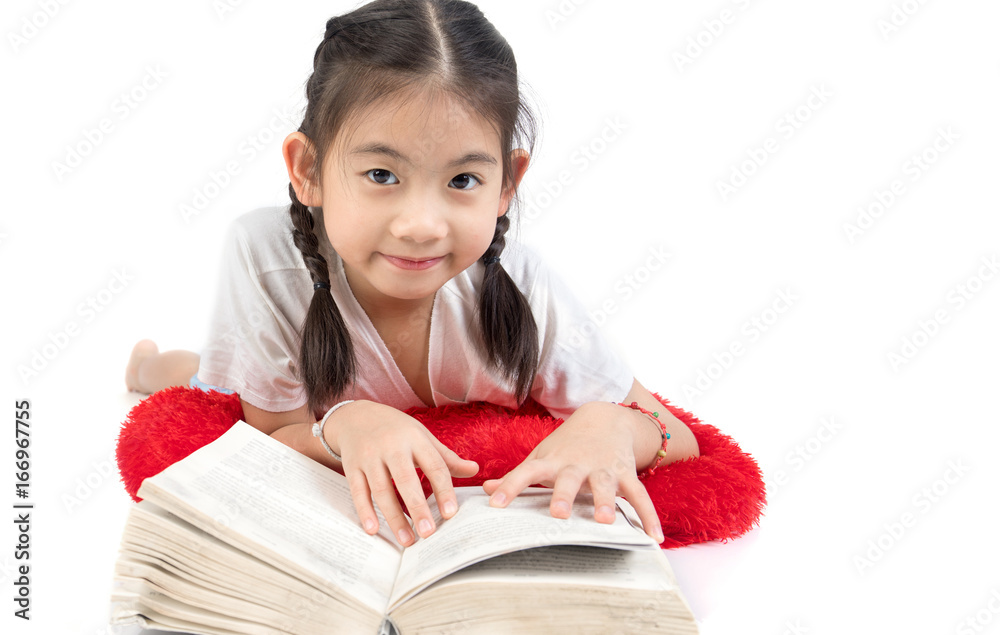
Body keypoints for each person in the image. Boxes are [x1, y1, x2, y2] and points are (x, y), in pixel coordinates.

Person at [126, 0, 699, 548]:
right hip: (280, 372)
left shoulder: (525, 287)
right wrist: (345, 423)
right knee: (203, 377)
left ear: (507, 183)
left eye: (462, 181)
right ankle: (147, 362)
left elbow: (673, 431)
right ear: (308, 169)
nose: (422, 226)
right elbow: (273, 432)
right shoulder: (266, 255)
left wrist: (614, 428)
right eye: (381, 174)